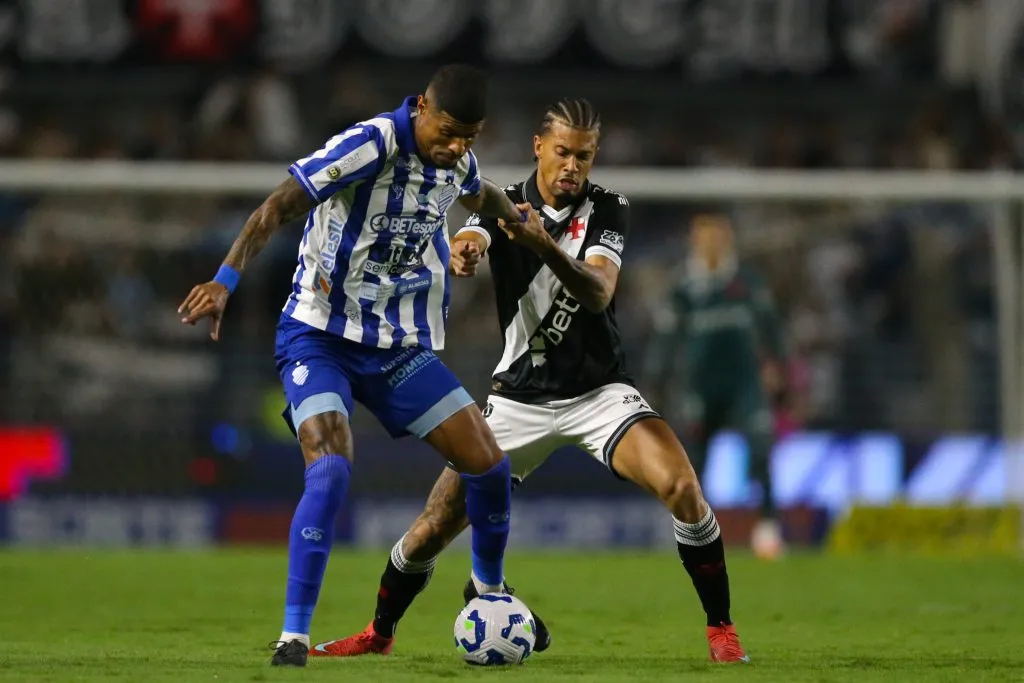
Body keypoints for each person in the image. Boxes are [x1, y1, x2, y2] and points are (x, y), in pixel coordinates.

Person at [310, 99, 749, 664]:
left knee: (684, 489)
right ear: (539, 147)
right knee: (432, 526)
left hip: (600, 394)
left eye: (583, 156)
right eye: (562, 151)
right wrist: (468, 248)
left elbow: (598, 292)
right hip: (518, 398)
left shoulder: (608, 208)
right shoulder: (500, 201)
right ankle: (378, 634)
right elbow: (476, 233)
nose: (572, 165)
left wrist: (541, 243)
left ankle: (721, 630)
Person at [178, 64, 534, 668]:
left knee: (490, 466)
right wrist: (225, 278)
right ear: (421, 107)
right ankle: (294, 634)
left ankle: (488, 594)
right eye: (447, 131)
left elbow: (487, 194)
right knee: (332, 468)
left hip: (395, 344)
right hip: (318, 336)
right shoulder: (370, 143)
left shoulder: (457, 163)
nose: (455, 148)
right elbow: (276, 206)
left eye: (468, 138)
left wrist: (503, 227)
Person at [644, 210, 788, 560]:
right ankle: (694, 536)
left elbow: (772, 329)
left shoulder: (746, 281)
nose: (711, 243)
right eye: (704, 236)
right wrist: (654, 383)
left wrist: (779, 367)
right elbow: (665, 340)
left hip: (744, 384)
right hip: (700, 387)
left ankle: (768, 528)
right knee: (694, 465)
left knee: (760, 449)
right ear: (694, 241)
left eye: (718, 236)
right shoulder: (683, 288)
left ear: (728, 240)